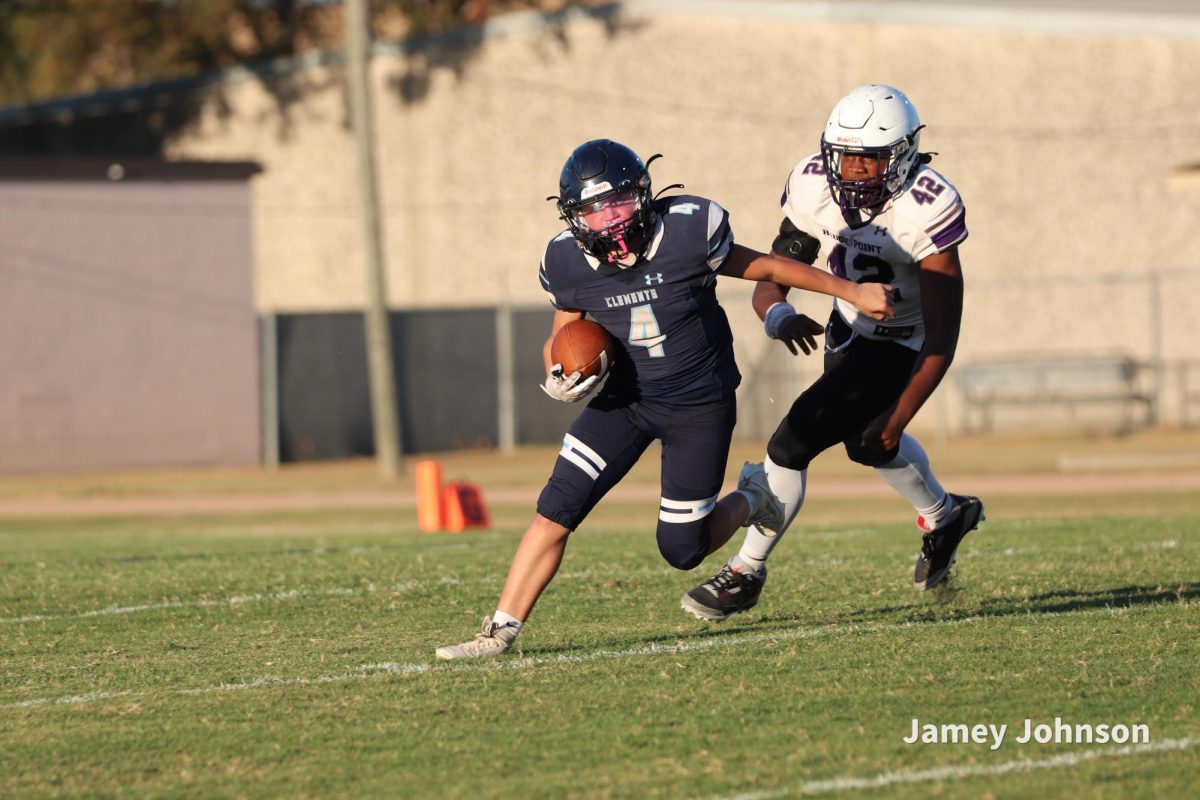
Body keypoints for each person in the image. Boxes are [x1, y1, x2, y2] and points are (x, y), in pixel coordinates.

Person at [435, 138, 893, 659]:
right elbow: (563, 332)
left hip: (698, 406)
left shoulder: (687, 232)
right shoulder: (565, 261)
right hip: (624, 402)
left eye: (620, 204)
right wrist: (558, 372)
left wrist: (851, 292)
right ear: (571, 216)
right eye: (593, 210)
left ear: (645, 196)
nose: (610, 222)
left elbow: (768, 268)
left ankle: (754, 497)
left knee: (682, 549)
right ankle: (499, 631)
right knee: (555, 508)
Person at [681, 84, 985, 623]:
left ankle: (745, 572)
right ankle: (945, 515)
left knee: (792, 441)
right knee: (865, 446)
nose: (854, 170)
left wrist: (901, 414)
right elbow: (771, 279)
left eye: (869, 159)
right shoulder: (813, 184)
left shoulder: (927, 206)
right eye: (844, 156)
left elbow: (941, 338)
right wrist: (778, 314)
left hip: (903, 341)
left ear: (903, 153)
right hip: (847, 330)